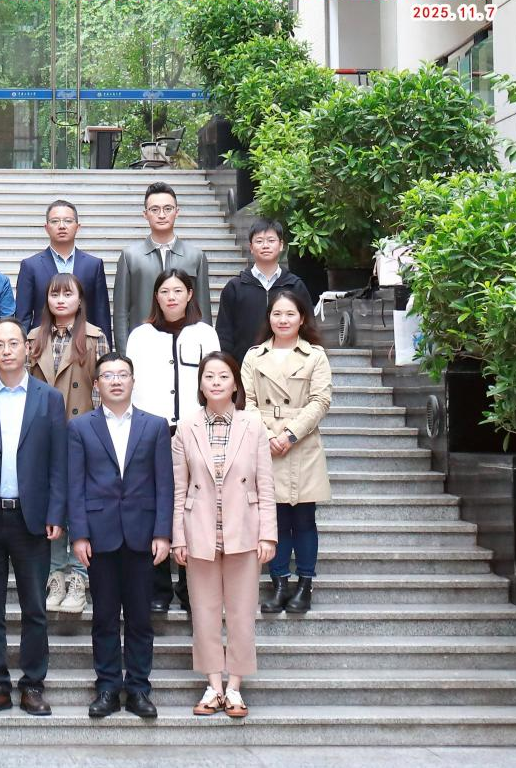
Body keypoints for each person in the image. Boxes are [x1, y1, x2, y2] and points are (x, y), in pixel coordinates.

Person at [0, 317, 66, 716]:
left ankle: (33, 684)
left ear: (28, 348)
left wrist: (57, 511)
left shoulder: (48, 398)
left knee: (35, 606)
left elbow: (59, 461)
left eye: (13, 343)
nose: (6, 350)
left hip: (31, 518)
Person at [68, 352, 173, 720]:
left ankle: (139, 689)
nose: (116, 381)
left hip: (143, 535)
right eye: (108, 375)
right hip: (100, 536)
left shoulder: (155, 426)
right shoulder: (80, 428)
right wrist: (79, 535)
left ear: (132, 381)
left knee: (141, 618)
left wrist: (163, 532)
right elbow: (75, 485)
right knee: (104, 617)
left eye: (122, 374)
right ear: (96, 384)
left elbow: (165, 483)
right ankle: (108, 688)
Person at [172, 352, 277, 719]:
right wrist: (177, 536)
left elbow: (266, 484)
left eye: (223, 376)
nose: (215, 382)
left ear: (235, 384)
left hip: (244, 529)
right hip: (199, 530)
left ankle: (235, 686)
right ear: (200, 385)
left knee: (242, 612)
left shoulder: (254, 425)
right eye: (209, 376)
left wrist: (268, 535)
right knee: (204, 612)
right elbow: (178, 488)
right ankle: (213, 685)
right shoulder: (186, 427)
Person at [127, 268, 220, 613]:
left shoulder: (205, 334)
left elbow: (216, 379)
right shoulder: (140, 336)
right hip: (153, 432)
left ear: (190, 294)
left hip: (195, 432)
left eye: (178, 291)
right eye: (164, 291)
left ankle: (190, 586)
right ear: (156, 296)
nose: (171, 297)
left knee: (194, 506)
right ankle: (158, 587)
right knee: (156, 506)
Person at [241, 290, 332, 615]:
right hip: (265, 443)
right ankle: (279, 583)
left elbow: (321, 400)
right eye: (277, 314)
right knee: (274, 518)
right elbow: (247, 401)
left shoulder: (315, 356)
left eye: (290, 314)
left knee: (304, 519)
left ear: (302, 318)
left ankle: (305, 585)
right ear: (269, 318)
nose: (283, 320)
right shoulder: (254, 356)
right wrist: (268, 436)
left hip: (303, 443)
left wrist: (290, 434)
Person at [26, 273, 108, 615]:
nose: (60, 300)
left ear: (79, 299)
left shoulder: (94, 337)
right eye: (54, 294)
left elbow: (102, 386)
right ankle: (55, 574)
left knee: (78, 501)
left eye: (67, 294)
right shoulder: (33, 338)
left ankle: (78, 575)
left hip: (82, 429)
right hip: (43, 432)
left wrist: (99, 431)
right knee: (52, 503)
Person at [113, 182, 212, 354]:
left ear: (177, 212)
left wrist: (206, 353)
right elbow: (121, 312)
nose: (161, 215)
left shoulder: (196, 256)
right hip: (144, 345)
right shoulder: (130, 256)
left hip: (186, 346)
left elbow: (203, 309)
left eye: (168, 209)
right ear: (145, 214)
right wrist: (124, 356)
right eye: (154, 209)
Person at [216, 218, 314, 365]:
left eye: (271, 240)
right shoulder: (235, 287)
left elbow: (309, 329)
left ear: (281, 245)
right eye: (259, 241)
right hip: (245, 369)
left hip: (290, 369)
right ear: (251, 247)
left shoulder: (295, 286)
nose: (265, 245)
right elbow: (224, 335)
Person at [14, 200, 112, 345]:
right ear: (46, 228)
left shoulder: (93, 265)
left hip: (85, 344)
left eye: (68, 221)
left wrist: (105, 351)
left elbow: (101, 314)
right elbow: (23, 316)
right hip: (43, 345)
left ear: (78, 227)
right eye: (55, 221)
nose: (61, 226)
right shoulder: (30, 266)